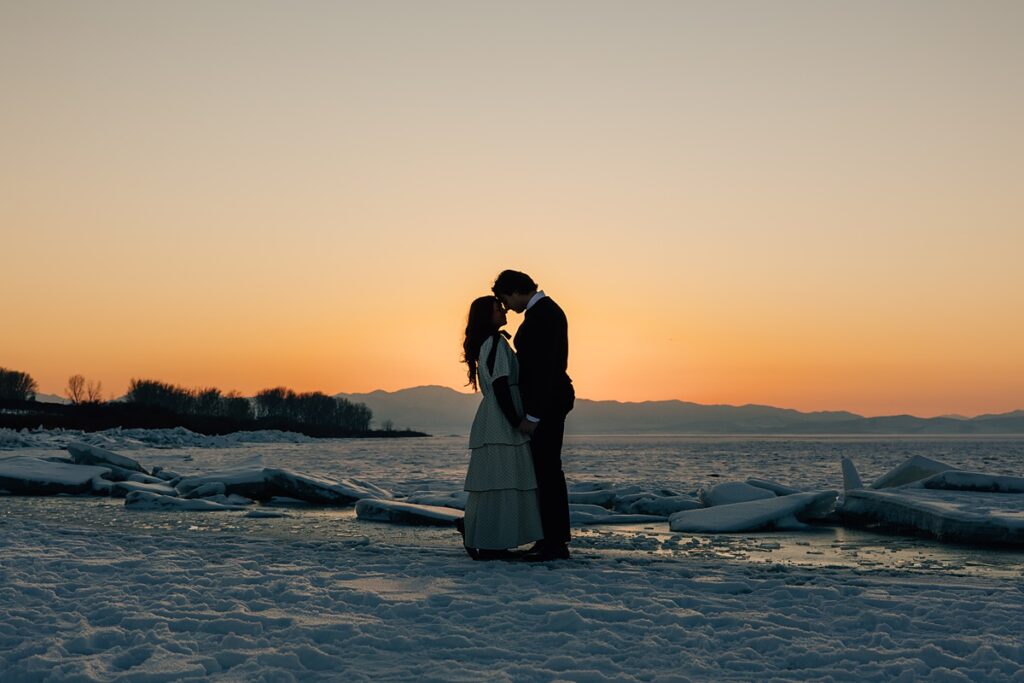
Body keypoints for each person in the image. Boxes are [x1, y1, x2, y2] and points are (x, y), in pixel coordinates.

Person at [492, 270, 574, 561]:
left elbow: (545, 369)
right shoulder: (541, 313)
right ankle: (549, 539)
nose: (506, 306)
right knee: (544, 472)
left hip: (548, 404)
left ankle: (555, 542)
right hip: (548, 402)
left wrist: (534, 415)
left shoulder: (545, 315)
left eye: (504, 298)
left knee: (548, 472)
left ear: (515, 291)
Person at [458, 295, 544, 560]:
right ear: (487, 316)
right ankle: (492, 541)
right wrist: (516, 420)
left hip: (493, 414)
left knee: (494, 480)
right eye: (499, 309)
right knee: (504, 479)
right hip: (500, 416)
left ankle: (484, 533)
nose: (504, 311)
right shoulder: (495, 342)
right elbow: (500, 384)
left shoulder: (487, 343)